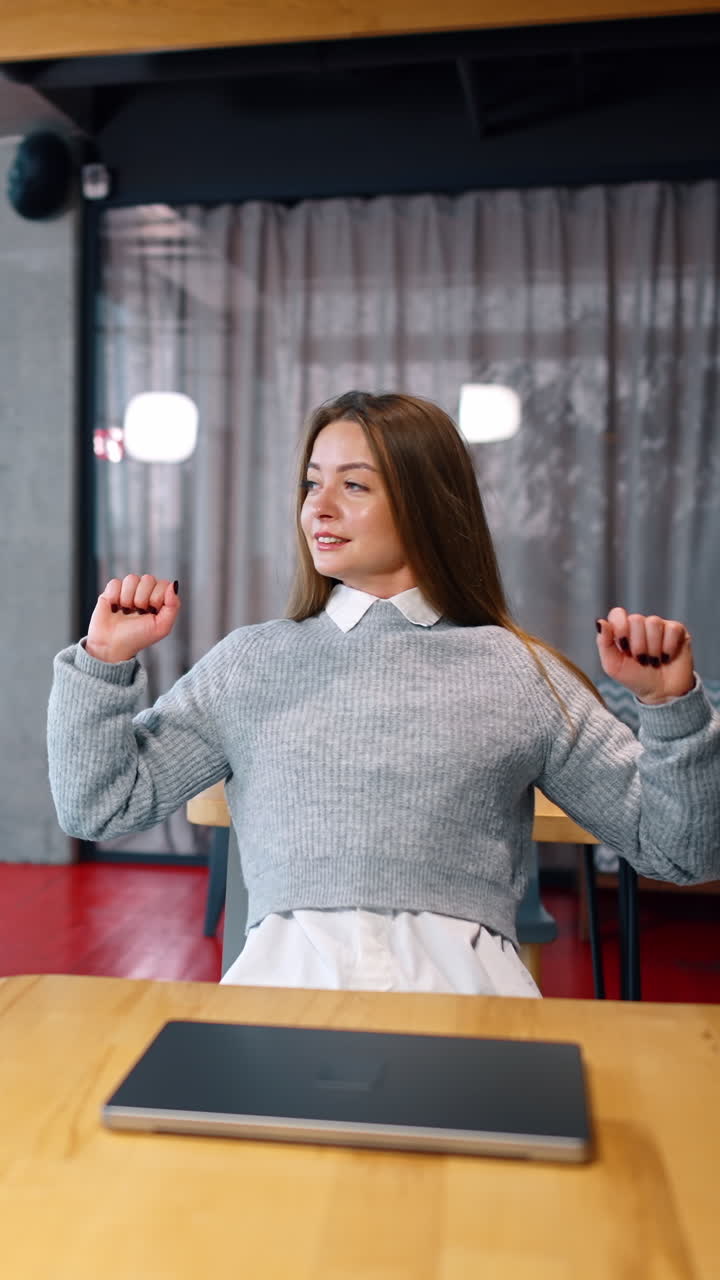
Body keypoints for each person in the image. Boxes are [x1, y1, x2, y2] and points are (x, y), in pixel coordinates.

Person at [47, 391, 720, 996]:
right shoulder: (251, 663)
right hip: (283, 1004)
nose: (320, 507)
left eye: (355, 485)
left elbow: (681, 853)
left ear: (427, 505)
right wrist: (103, 661)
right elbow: (99, 807)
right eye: (313, 483)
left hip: (468, 1010)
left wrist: (672, 707)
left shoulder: (518, 671)